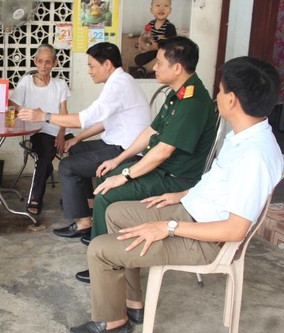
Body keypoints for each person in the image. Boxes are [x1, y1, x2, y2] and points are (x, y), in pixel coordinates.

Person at [70, 56, 283, 333]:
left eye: (219, 91)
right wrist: (182, 195)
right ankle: (133, 303)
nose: (215, 96)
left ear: (230, 100)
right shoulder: (244, 136)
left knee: (100, 249)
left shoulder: (255, 155)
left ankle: (113, 321)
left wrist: (167, 227)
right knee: (115, 211)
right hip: (193, 212)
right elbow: (220, 186)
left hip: (206, 238)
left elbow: (234, 230)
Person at [72, 36, 217, 284]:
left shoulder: (192, 102)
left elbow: (162, 151)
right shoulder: (178, 94)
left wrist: (126, 175)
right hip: (162, 170)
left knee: (107, 193)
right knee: (105, 176)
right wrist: (120, 160)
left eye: (159, 62)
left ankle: (106, 263)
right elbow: (150, 132)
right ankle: (104, 251)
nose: (154, 67)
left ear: (177, 68)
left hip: (174, 179)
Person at [18, 42, 150, 234]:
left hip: (126, 150)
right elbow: (105, 121)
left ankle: (83, 223)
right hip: (119, 142)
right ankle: (88, 204)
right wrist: (78, 139)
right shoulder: (120, 81)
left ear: (107, 64)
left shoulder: (118, 85)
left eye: (91, 66)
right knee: (75, 150)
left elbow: (83, 118)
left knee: (67, 166)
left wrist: (44, 116)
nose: (89, 71)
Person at [9, 44, 72, 215]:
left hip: (59, 128)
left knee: (78, 151)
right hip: (38, 130)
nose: (43, 66)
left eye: (48, 62)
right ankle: (35, 198)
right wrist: (27, 115)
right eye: (40, 61)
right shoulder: (26, 82)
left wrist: (61, 134)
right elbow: (12, 105)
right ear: (35, 61)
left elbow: (64, 113)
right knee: (44, 155)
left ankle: (79, 199)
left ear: (55, 63)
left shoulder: (60, 84)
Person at [130, 0, 176, 79]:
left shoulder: (169, 27)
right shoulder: (150, 24)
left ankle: (144, 70)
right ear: (151, 10)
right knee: (138, 59)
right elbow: (145, 36)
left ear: (170, 10)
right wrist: (141, 41)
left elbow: (171, 45)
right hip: (152, 51)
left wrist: (157, 47)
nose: (161, 8)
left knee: (162, 59)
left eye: (165, 6)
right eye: (158, 5)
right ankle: (151, 67)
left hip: (163, 52)